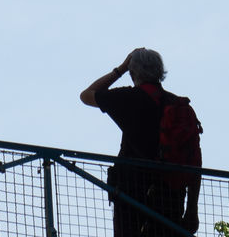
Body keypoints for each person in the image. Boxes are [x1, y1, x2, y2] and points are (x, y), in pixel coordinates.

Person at [80, 48, 201, 237]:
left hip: (133, 200)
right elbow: (194, 161)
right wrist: (192, 210)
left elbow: (87, 95)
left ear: (133, 72)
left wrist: (120, 69)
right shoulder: (178, 105)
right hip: (171, 201)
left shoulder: (129, 98)